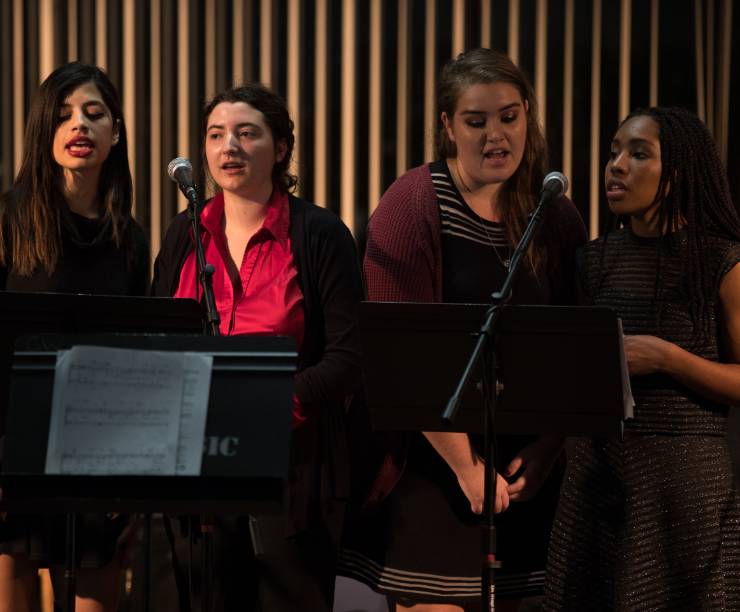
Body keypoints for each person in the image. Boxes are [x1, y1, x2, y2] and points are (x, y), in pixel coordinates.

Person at [338, 48, 587, 611]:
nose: (496, 135)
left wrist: (549, 449)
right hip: (433, 461)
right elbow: (398, 356)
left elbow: (577, 354)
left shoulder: (557, 214)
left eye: (509, 116)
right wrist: (467, 467)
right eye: (476, 122)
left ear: (528, 115)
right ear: (448, 127)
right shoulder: (412, 204)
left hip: (525, 470)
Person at [151, 83, 364, 611]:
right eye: (217, 134)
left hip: (292, 471)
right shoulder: (184, 235)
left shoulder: (319, 235)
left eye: (248, 133)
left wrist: (264, 410)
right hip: (194, 468)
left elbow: (347, 357)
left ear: (282, 148)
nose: (230, 147)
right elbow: (154, 344)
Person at [543, 107, 740, 610]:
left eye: (638, 153)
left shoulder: (721, 262)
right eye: (613, 153)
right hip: (598, 475)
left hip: (685, 485)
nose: (616, 166)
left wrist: (669, 358)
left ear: (676, 173)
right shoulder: (593, 259)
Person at [0, 62, 148, 612]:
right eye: (63, 116)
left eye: (94, 114)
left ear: (115, 133)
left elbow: (138, 360)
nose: (79, 127)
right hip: (12, 445)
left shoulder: (129, 239)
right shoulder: (9, 222)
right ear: (44, 131)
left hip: (96, 450)